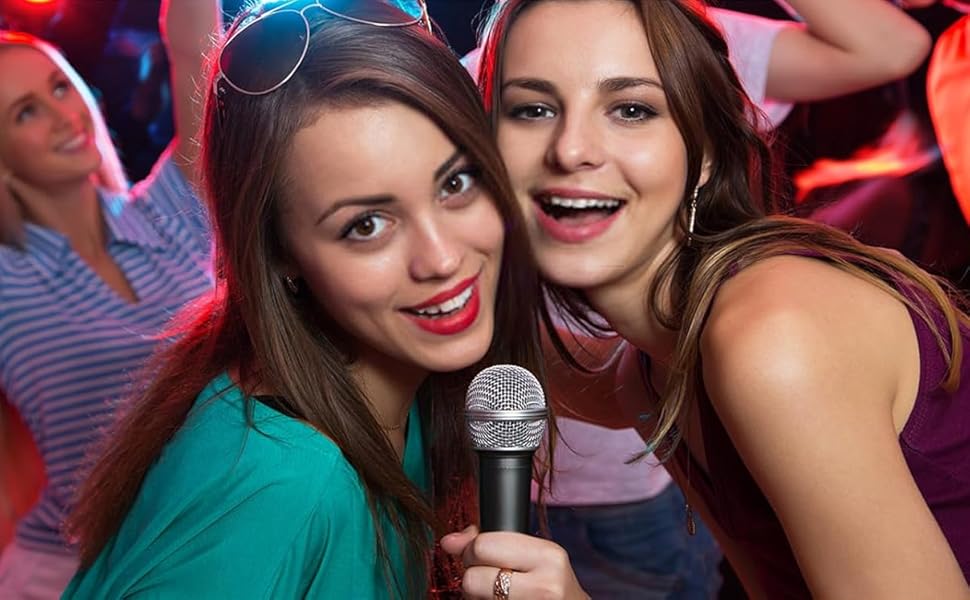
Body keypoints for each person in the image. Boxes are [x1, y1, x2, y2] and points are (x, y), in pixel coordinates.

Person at [441, 0, 970, 598]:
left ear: (705, 156)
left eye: (632, 109)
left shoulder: (770, 335)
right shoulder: (645, 375)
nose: (571, 150)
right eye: (532, 109)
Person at [63, 1, 551, 597]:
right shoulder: (281, 483)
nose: (443, 258)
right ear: (280, 255)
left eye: (455, 183)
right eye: (367, 225)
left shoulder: (402, 390)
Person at [0, 0, 218, 596]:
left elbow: (193, 49)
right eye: (26, 113)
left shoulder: (168, 213)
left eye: (60, 87)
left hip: (196, 541)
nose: (64, 115)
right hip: (68, 573)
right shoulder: (7, 281)